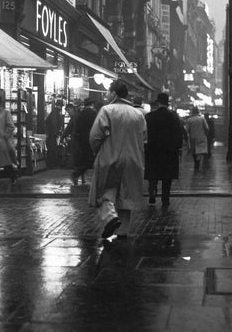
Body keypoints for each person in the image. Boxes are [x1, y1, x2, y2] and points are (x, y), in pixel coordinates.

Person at [89, 79, 146, 240]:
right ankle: (122, 231)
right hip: (134, 159)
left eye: (107, 92)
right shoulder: (138, 114)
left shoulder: (107, 110)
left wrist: (98, 151)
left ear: (114, 94)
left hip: (110, 157)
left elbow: (95, 137)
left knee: (104, 190)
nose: (106, 95)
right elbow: (144, 137)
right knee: (126, 196)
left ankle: (110, 218)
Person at [144, 92, 184, 208]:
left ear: (158, 102)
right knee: (167, 177)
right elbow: (178, 133)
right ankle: (165, 198)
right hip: (169, 151)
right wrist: (179, 147)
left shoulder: (150, 116)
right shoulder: (174, 116)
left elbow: (145, 133)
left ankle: (152, 192)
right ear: (168, 102)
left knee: (153, 174)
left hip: (153, 150)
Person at [71, 98, 97, 185]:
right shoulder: (94, 114)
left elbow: (76, 129)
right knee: (90, 160)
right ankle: (77, 174)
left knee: (83, 159)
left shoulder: (80, 114)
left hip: (81, 140)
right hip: (92, 139)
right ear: (92, 105)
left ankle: (80, 176)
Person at [185, 106, 209, 172]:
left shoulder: (189, 120)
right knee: (200, 152)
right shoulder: (202, 118)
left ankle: (196, 163)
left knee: (194, 152)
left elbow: (186, 130)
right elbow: (207, 128)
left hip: (193, 138)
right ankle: (198, 163)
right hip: (201, 138)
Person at [45, 99, 64, 168]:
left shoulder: (54, 112)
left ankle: (52, 163)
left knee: (52, 149)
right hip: (52, 134)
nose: (61, 107)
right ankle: (52, 164)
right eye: (60, 106)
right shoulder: (55, 113)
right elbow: (54, 123)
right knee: (52, 149)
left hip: (51, 134)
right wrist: (57, 133)